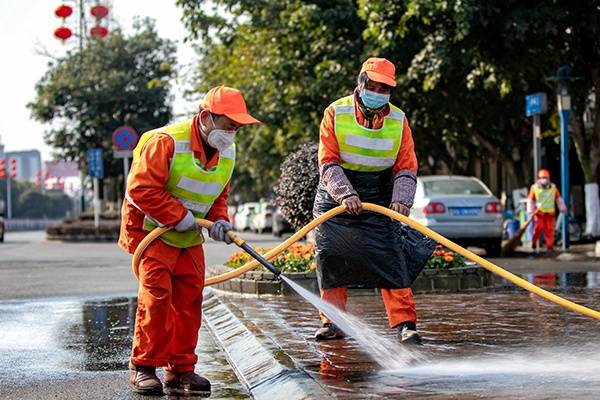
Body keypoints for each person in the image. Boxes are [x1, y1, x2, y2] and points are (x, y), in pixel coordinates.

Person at [119, 86, 261, 396]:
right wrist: (176, 214)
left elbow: (218, 192)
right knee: (157, 297)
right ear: (206, 118)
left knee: (190, 299)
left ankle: (181, 371)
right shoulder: (167, 142)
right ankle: (143, 367)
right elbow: (140, 190)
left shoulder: (227, 151)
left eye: (237, 127)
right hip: (151, 231)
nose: (233, 132)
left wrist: (220, 220)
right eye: (229, 124)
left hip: (188, 235)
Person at [313, 57, 434, 345]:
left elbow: (406, 166)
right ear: (361, 83)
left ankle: (406, 324)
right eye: (375, 86)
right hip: (336, 195)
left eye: (386, 88)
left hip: (379, 193)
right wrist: (345, 193)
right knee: (331, 258)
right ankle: (333, 323)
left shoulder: (398, 120)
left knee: (391, 257)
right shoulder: (336, 112)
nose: (379, 93)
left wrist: (402, 199)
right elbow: (328, 162)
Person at [527, 168, 567, 252]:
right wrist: (530, 211)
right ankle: (533, 243)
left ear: (548, 178)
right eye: (542, 178)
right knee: (538, 228)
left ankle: (549, 247)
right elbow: (530, 200)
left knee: (549, 230)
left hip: (550, 213)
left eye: (546, 178)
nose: (544, 180)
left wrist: (562, 208)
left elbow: (558, 199)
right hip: (539, 213)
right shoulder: (534, 188)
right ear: (539, 178)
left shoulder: (553, 188)